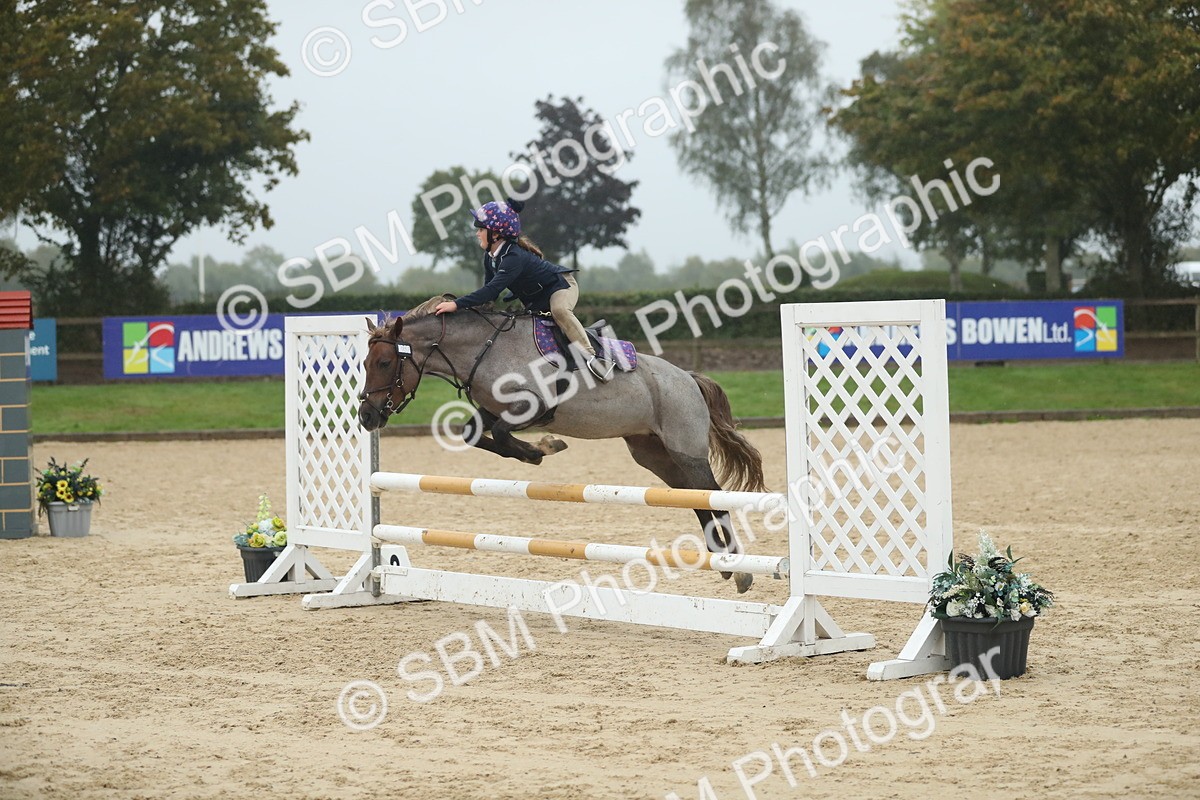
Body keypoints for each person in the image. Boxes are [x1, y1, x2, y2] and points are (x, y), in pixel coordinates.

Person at [434, 198, 614, 381]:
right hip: (537, 299)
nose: (477, 234)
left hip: (560, 286)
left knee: (559, 310)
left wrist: (456, 305)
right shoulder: (490, 258)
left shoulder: (513, 257)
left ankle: (593, 358)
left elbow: (490, 290)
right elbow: (491, 295)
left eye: (480, 229)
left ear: (495, 234)